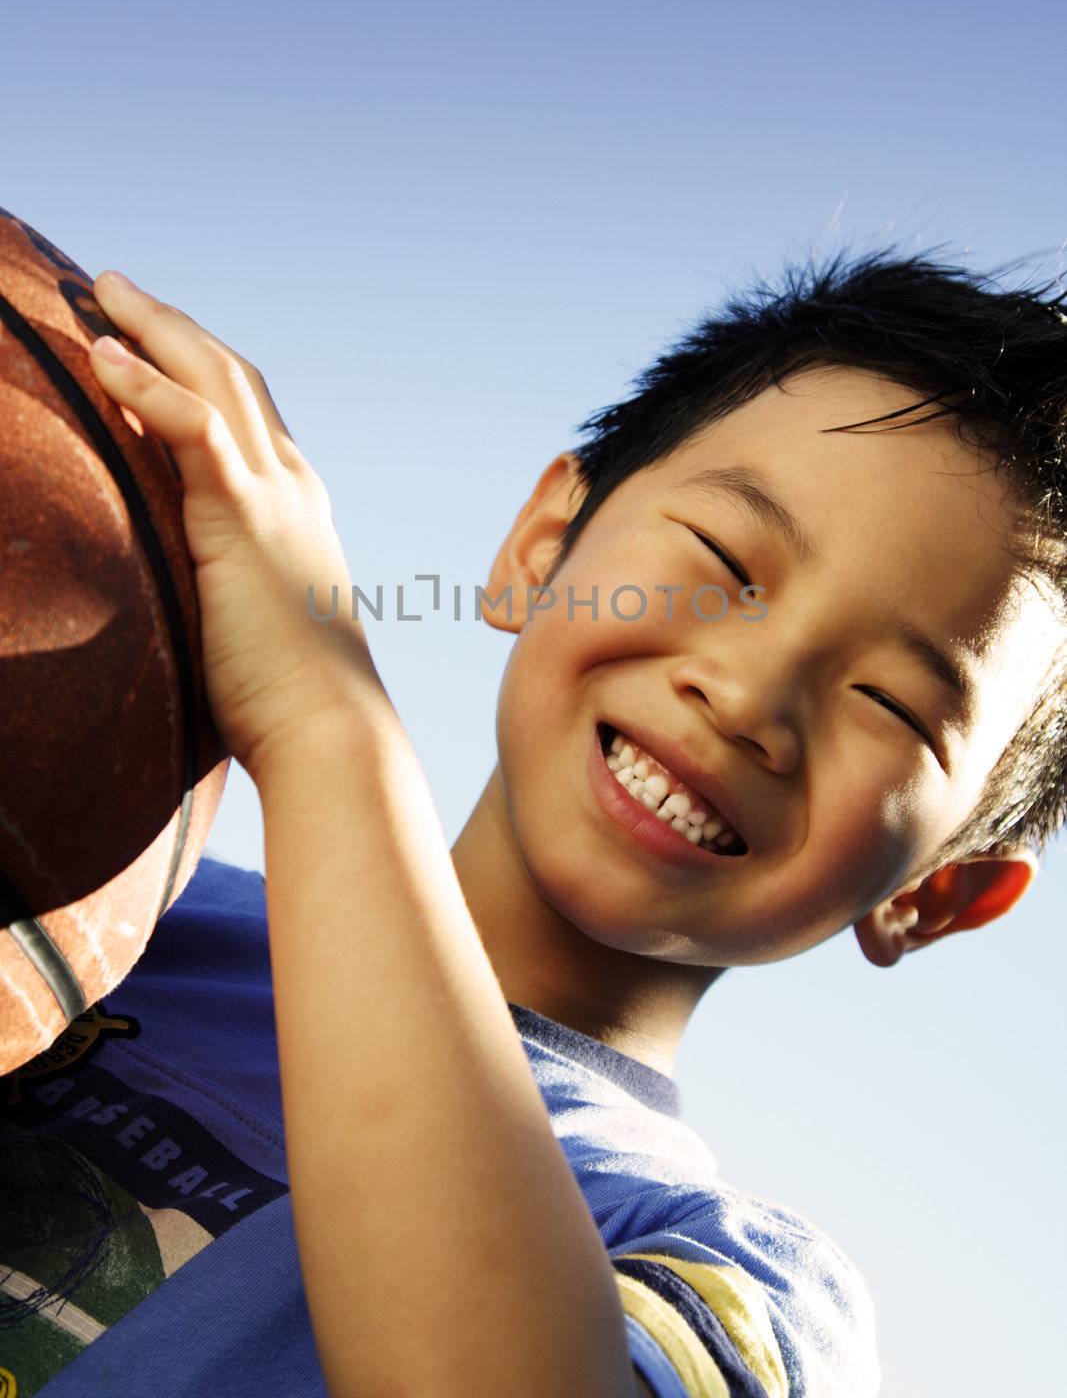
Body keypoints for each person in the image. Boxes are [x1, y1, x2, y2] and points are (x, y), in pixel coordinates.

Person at [3, 247, 1065, 1397]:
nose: (752, 694)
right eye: (720, 558)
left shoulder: (731, 1284)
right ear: (540, 548)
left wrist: (326, 719)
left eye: (892, 702)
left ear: (936, 891)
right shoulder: (112, 903)